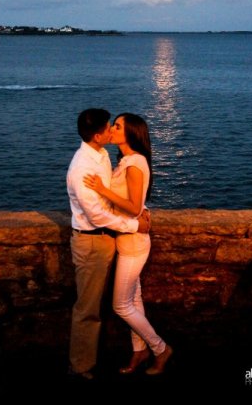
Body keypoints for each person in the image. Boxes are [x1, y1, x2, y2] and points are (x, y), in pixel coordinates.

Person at [84, 112, 173, 375]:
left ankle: (161, 348)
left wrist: (103, 190)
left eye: (118, 126)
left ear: (130, 133)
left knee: (120, 305)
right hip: (127, 239)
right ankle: (139, 352)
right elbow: (138, 203)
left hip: (134, 243)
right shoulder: (127, 160)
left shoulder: (134, 163)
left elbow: (133, 208)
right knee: (134, 299)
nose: (112, 128)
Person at [67, 108, 150, 380]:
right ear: (97, 135)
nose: (111, 130)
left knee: (126, 298)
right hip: (91, 242)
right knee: (88, 309)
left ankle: (142, 349)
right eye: (108, 127)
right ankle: (81, 368)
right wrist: (136, 223)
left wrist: (139, 210)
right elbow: (98, 214)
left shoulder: (103, 155)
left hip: (110, 239)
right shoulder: (83, 168)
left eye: (116, 126)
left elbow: (125, 196)